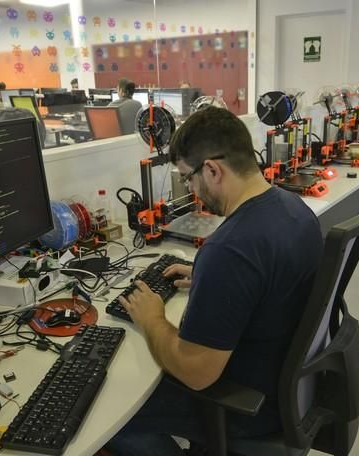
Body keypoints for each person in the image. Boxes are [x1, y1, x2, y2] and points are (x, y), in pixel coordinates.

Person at [106, 106, 324, 456]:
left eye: (188, 178)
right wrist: (211, 281)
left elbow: (196, 373)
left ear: (212, 170)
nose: (191, 189)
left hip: (249, 406)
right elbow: (271, 279)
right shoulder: (295, 210)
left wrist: (152, 319)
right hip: (292, 388)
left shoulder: (229, 250)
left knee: (112, 415)